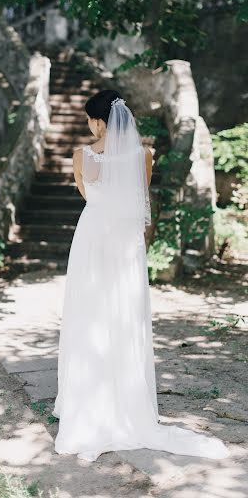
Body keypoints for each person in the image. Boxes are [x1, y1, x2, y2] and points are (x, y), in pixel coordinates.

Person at [52, 90, 229, 462]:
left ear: (98, 121)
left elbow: (87, 193)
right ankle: (127, 405)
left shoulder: (83, 156)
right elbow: (137, 195)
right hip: (125, 245)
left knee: (89, 318)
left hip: (91, 239)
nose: (89, 125)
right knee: (124, 318)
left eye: (89, 119)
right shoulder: (143, 156)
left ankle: (87, 405)